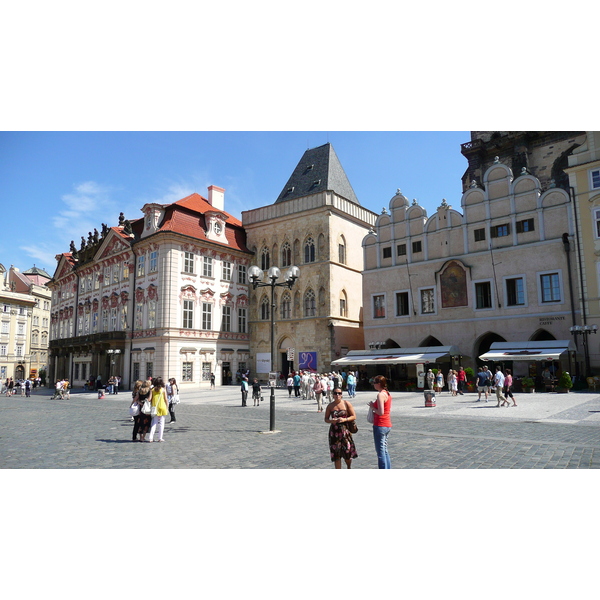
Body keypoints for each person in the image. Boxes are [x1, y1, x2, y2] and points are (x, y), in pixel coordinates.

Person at [324, 388, 358, 469]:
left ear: (342, 394)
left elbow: (354, 416)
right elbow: (326, 419)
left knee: (347, 452)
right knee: (336, 454)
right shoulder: (330, 406)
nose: (337, 395)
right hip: (334, 432)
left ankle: (348, 467)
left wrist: (345, 419)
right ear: (333, 394)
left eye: (339, 393)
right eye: (335, 393)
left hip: (345, 430)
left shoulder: (346, 403)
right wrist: (332, 421)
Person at [368, 375, 392, 469]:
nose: (373, 385)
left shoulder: (380, 395)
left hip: (380, 424)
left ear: (379, 384)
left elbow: (381, 412)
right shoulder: (387, 393)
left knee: (380, 452)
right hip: (387, 424)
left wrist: (372, 407)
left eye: (374, 383)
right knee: (385, 450)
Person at [148, 377, 168, 442]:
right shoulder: (163, 390)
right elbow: (166, 399)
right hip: (162, 407)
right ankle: (160, 438)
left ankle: (151, 438)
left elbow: (149, 399)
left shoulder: (152, 390)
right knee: (162, 423)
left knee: (154, 423)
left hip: (155, 408)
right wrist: (167, 407)